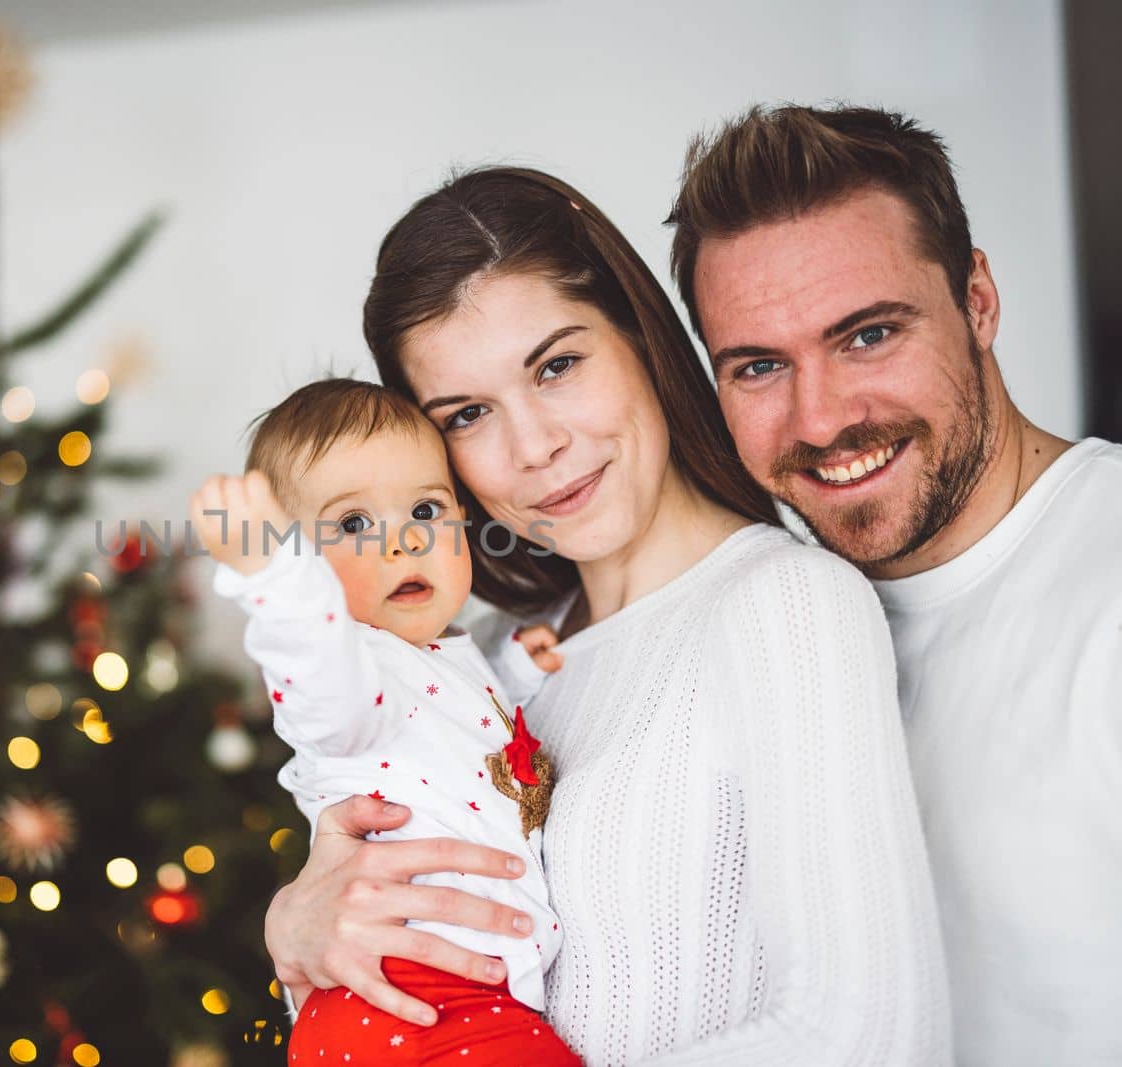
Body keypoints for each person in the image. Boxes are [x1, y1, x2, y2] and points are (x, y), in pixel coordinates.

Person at [262, 167, 951, 1065]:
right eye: (469, 413)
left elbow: (871, 1036)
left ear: (640, 337)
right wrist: (300, 928)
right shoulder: (489, 665)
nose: (535, 446)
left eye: (557, 365)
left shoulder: (786, 607)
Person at [665, 104, 1122, 1067]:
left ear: (979, 301)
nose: (822, 418)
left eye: (868, 335)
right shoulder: (760, 625)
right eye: (757, 365)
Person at [190, 378, 580, 1064]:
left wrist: (517, 667)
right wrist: (272, 575)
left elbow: (458, 720)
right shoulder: (348, 673)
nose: (401, 542)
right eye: (351, 524)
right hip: (405, 994)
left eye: (426, 508)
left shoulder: (440, 651)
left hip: (454, 996)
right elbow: (317, 665)